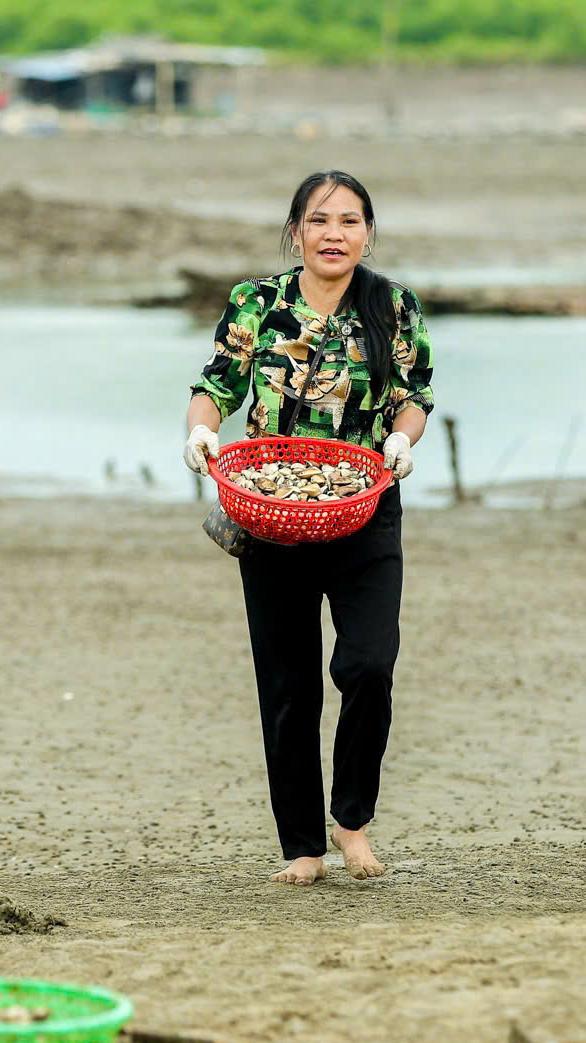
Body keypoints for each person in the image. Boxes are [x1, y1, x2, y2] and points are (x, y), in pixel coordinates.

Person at [181, 169, 435, 885]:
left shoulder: (394, 306)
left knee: (369, 664)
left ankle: (352, 821)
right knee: (289, 686)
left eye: (350, 221)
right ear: (295, 230)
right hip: (272, 511)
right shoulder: (256, 304)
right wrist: (199, 433)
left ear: (368, 233)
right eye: (320, 220)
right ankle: (303, 845)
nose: (334, 234)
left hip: (363, 507)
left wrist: (402, 441)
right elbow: (217, 385)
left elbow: (414, 396)